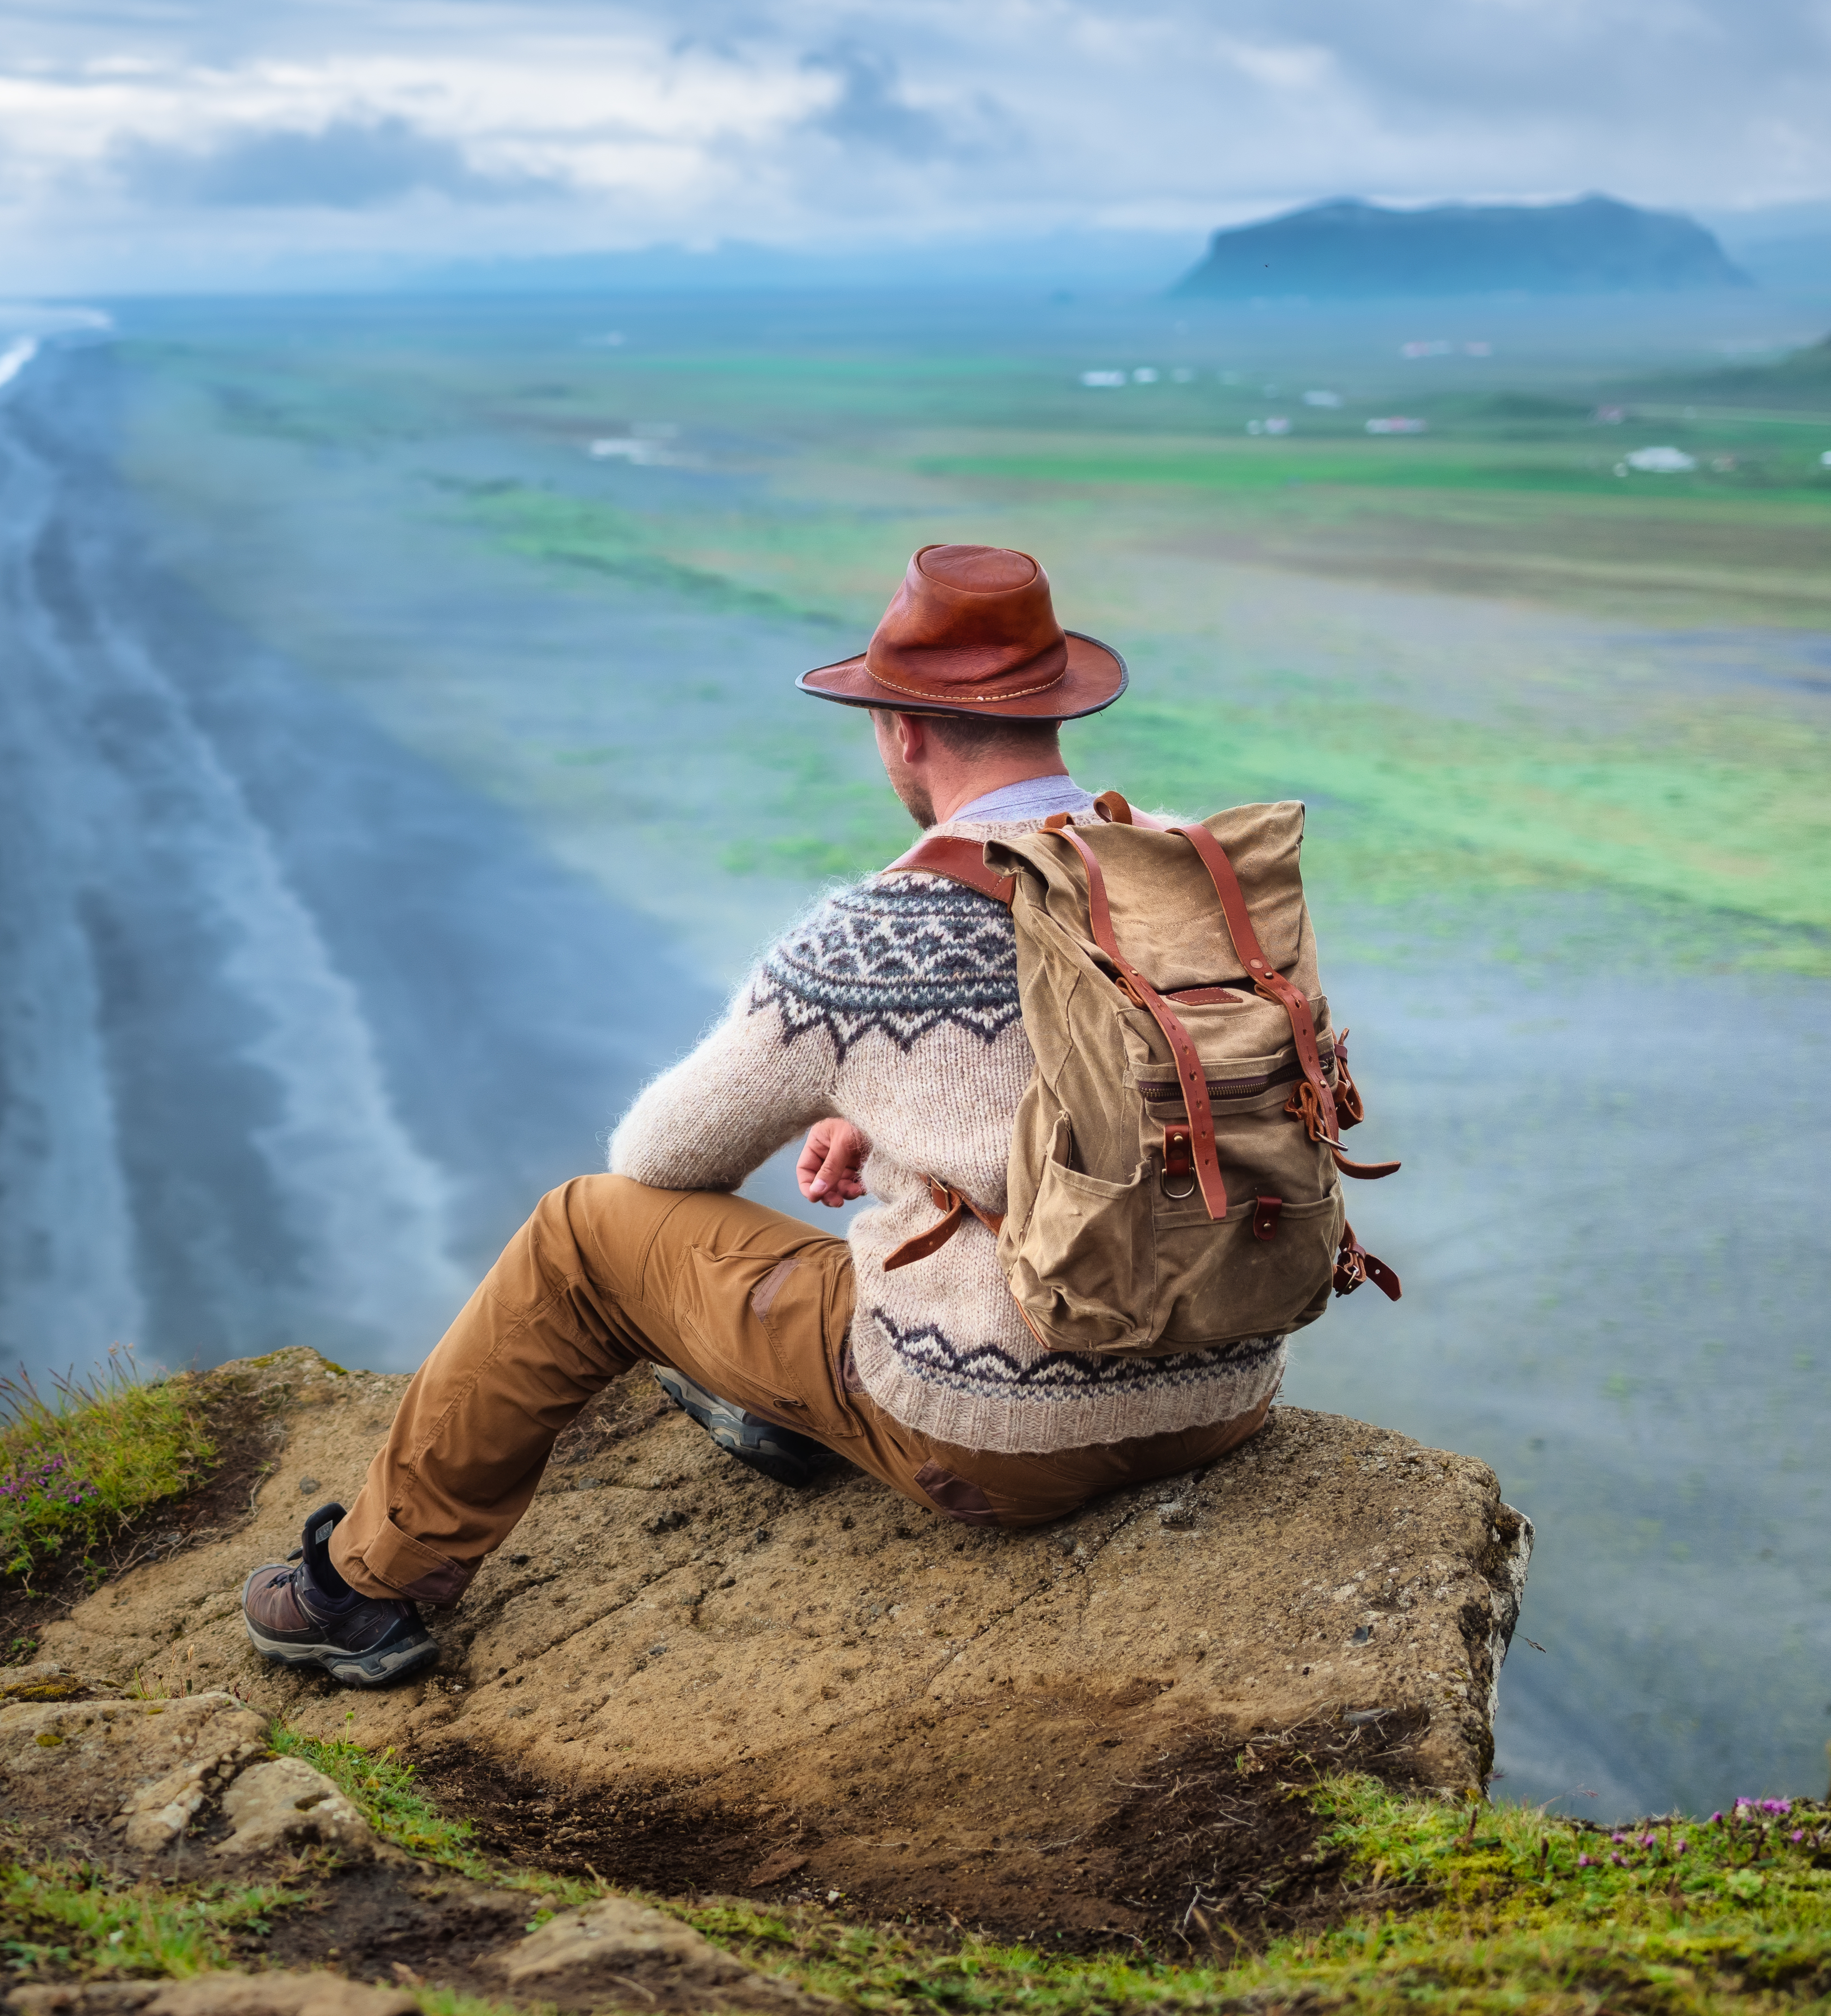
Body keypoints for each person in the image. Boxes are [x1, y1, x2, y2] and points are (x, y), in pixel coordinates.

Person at [239, 544, 1287, 1687]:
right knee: (862, 1227)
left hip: (1004, 1441)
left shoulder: (874, 936)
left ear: (903, 729)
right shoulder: (1193, 872)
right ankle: (785, 1410)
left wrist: (841, 1066)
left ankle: (363, 1587)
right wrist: (880, 1108)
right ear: (1055, 712)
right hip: (1226, 1389)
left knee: (585, 1229)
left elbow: (660, 1156)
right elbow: (1132, 1086)